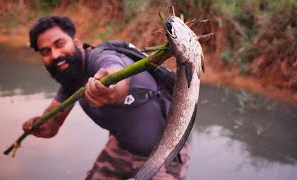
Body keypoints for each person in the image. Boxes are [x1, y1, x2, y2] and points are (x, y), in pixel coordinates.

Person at [22, 15, 190, 179]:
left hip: (166, 155)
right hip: (121, 148)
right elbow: (53, 123)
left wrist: (108, 89)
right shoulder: (70, 81)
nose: (55, 54)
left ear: (76, 42)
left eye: (60, 44)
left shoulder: (101, 57)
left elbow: (115, 75)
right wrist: (40, 126)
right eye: (46, 52)